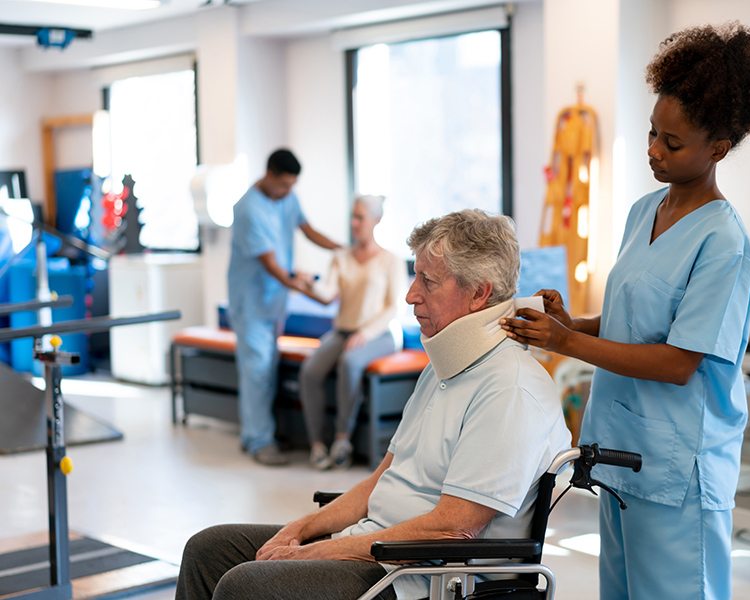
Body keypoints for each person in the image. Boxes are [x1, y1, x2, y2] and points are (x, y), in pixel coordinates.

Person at [501, 23, 750, 600]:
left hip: (679, 465)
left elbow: (679, 359)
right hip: (623, 452)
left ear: (719, 149)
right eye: (652, 133)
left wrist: (566, 345)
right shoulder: (642, 211)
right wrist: (568, 323)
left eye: (672, 143)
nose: (654, 150)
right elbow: (634, 321)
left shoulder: (724, 244)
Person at [176, 209, 571, 600]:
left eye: (427, 281)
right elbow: (381, 479)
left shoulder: (511, 389)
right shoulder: (444, 369)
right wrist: (300, 528)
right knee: (209, 551)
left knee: (245, 587)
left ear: (479, 293)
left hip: (419, 578)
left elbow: (454, 530)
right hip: (374, 547)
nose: (411, 294)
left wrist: (320, 552)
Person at [227, 148, 341, 466]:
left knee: (267, 368)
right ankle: (259, 441)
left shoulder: (286, 199)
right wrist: (302, 286)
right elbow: (271, 265)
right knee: (257, 371)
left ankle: (257, 435)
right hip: (251, 301)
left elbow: (308, 230)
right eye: (284, 185)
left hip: (274, 301)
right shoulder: (249, 209)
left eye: (293, 185)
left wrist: (344, 250)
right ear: (269, 175)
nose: (289, 191)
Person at [298, 195, 407, 470]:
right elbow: (327, 295)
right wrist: (309, 284)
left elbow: (395, 308)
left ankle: (342, 440)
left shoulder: (390, 260)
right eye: (353, 216)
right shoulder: (340, 257)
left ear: (376, 220)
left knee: (350, 362)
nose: (354, 223)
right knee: (310, 372)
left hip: (381, 334)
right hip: (343, 332)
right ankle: (317, 445)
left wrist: (366, 333)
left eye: (360, 217)